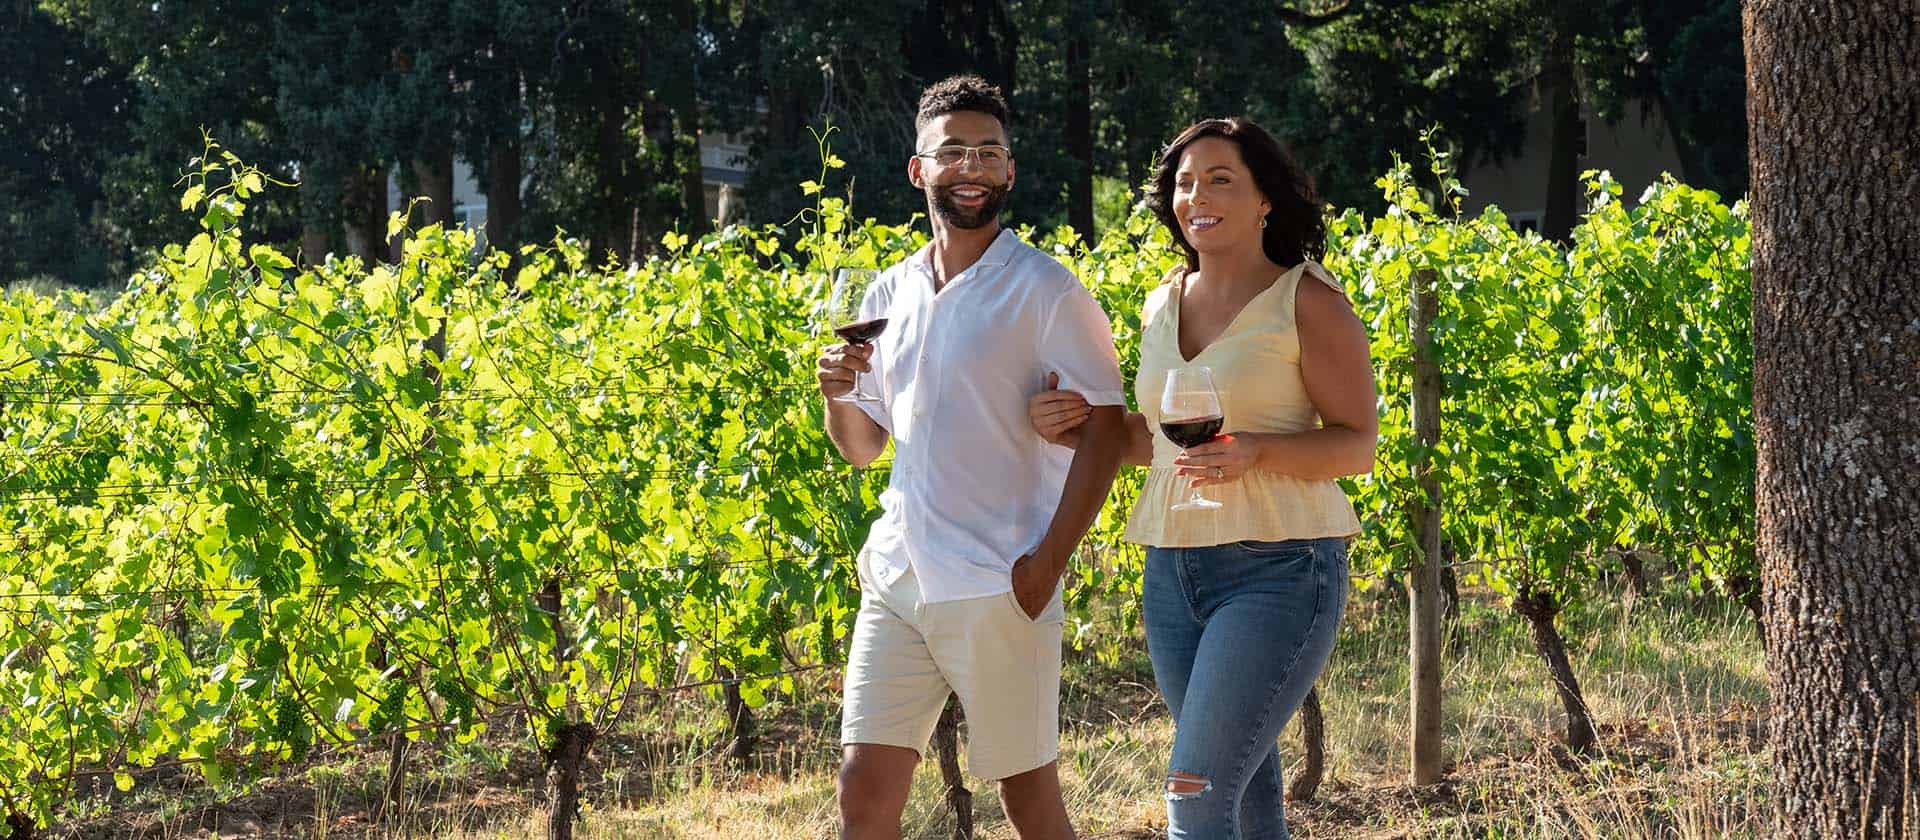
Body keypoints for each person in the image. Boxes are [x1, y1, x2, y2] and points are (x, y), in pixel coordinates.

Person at [1027, 117, 1377, 839]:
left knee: (1193, 792)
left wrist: (1257, 450)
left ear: (1264, 201)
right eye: (1185, 183)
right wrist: (1077, 426)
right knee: (1245, 795)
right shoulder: (1162, 300)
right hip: (1173, 572)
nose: (1198, 196)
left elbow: (1357, 447)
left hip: (1280, 569)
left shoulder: (1307, 301)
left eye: (1221, 179)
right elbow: (1148, 440)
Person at [816, 74, 1128, 840]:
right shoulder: (892, 291)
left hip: (1000, 580)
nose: (973, 166)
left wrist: (1044, 567)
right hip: (897, 576)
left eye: (990, 152)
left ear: (1010, 172)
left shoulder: (1049, 291)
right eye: (953, 151)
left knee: (1029, 803)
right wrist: (835, 393)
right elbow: (864, 449)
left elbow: (1110, 433)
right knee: (863, 796)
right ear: (919, 169)